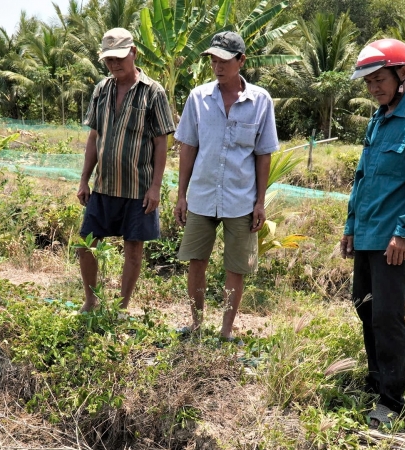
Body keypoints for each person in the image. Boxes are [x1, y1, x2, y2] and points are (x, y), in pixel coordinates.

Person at [342, 39, 405, 429]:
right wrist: (351, 226)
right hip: (368, 230)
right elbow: (364, 175)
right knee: (364, 306)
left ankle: (391, 398)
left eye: (379, 80)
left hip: (394, 238)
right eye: (368, 82)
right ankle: (377, 377)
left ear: (403, 74)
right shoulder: (379, 117)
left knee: (387, 314)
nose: (373, 89)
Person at [173, 31, 279, 342]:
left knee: (236, 268)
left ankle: (225, 331)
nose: (217, 66)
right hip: (203, 195)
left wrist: (260, 202)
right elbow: (188, 147)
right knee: (197, 260)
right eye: (213, 60)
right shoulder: (198, 98)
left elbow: (263, 154)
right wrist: (181, 195)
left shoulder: (260, 101)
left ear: (241, 60)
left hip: (240, 198)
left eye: (224, 60)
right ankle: (195, 324)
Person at [76, 28, 177, 313]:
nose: (114, 64)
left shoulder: (153, 92)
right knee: (85, 245)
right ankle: (91, 301)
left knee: (133, 250)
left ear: (133, 53)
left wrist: (156, 187)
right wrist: (84, 180)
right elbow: (94, 137)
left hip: (138, 189)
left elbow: (161, 142)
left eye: (120, 57)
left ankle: (121, 307)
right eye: (109, 60)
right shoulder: (102, 89)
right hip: (104, 186)